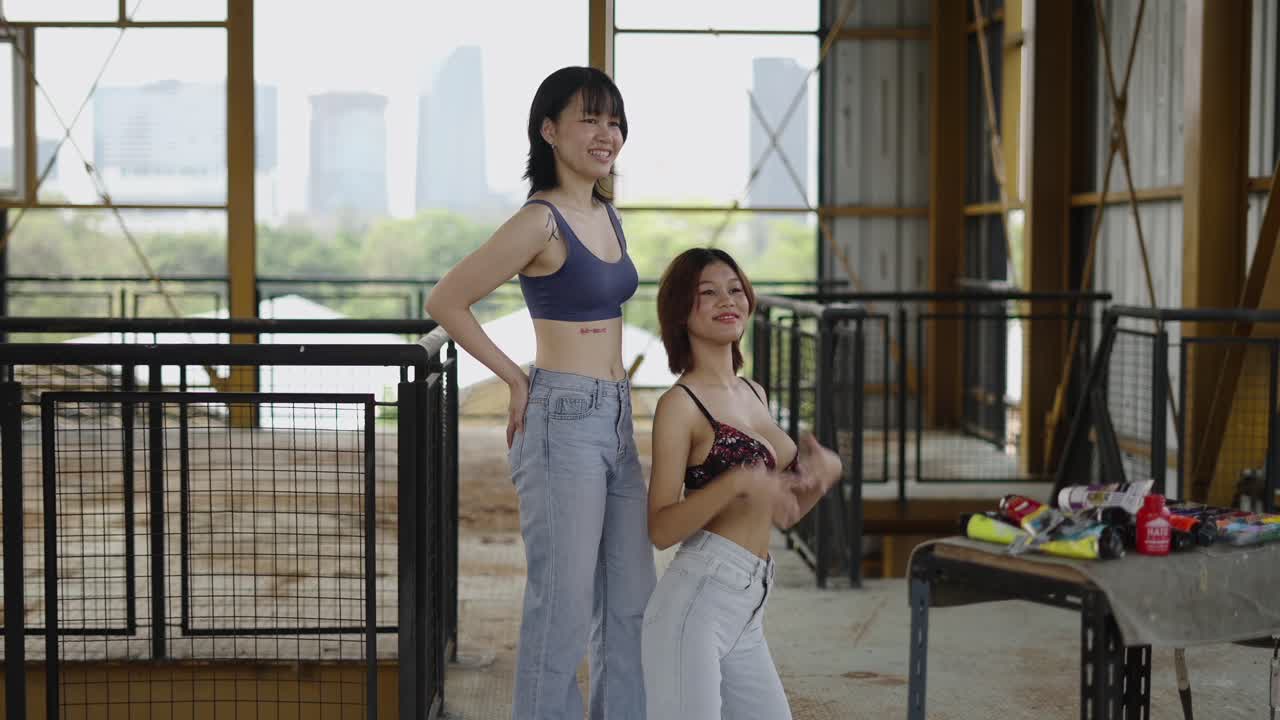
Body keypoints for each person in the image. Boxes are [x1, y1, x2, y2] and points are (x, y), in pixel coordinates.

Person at [425, 66, 655, 720]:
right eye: (590, 118)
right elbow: (447, 299)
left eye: (614, 120)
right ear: (550, 130)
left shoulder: (607, 215)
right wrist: (516, 376)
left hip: (615, 420)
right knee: (562, 607)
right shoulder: (540, 222)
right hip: (564, 422)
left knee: (632, 598)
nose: (606, 133)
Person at [642, 248, 843, 720]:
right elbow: (660, 528)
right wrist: (733, 484)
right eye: (706, 293)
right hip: (697, 599)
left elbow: (784, 512)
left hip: (749, 600)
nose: (726, 300)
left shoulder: (754, 392)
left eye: (735, 289)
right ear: (680, 313)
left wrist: (820, 479)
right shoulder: (681, 405)